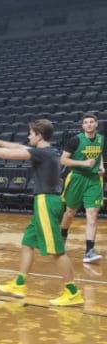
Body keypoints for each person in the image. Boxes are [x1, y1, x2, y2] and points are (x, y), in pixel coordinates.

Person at [0, 119, 84, 306]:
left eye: (30, 133)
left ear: (39, 135)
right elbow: (16, 147)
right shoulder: (49, 150)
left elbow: (10, 154)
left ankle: (72, 292)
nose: (28, 136)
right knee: (28, 242)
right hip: (45, 201)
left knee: (56, 251)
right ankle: (19, 284)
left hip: (47, 202)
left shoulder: (42, 153)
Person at [59, 113, 104, 264]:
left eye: (92, 122)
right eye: (86, 122)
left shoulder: (101, 139)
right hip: (77, 178)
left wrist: (102, 167)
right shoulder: (76, 140)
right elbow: (63, 159)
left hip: (93, 180)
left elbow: (101, 156)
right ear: (83, 126)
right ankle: (62, 236)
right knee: (70, 212)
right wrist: (83, 163)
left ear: (96, 124)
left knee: (92, 213)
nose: (89, 124)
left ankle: (89, 251)